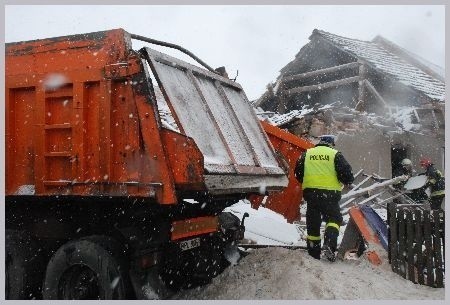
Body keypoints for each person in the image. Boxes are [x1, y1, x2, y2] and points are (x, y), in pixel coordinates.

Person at [294, 135, 354, 262]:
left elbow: (298, 174)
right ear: (331, 144)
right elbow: (347, 176)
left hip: (311, 195)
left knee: (313, 223)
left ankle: (313, 253)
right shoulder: (335, 154)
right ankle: (329, 245)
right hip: (330, 195)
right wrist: (344, 181)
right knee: (334, 219)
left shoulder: (307, 154)